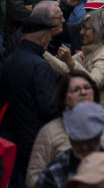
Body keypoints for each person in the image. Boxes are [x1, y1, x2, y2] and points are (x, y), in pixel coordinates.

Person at [27, 70, 104, 188]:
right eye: (75, 89)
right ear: (64, 97)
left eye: (87, 87)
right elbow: (34, 176)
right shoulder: (50, 131)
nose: (83, 92)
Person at [0, 16, 61, 187]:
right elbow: (48, 106)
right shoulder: (40, 66)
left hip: (9, 134)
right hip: (32, 138)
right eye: (50, 35)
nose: (50, 39)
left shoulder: (11, 59)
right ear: (42, 37)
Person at [34, 103, 104, 188]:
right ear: (69, 137)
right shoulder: (54, 171)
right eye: (78, 140)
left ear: (100, 133)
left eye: (90, 140)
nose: (84, 146)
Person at [58, 8, 104, 114]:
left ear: (99, 30)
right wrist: (41, 52)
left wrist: (70, 61)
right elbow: (64, 67)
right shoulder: (92, 48)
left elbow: (93, 83)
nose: (81, 32)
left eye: (86, 28)